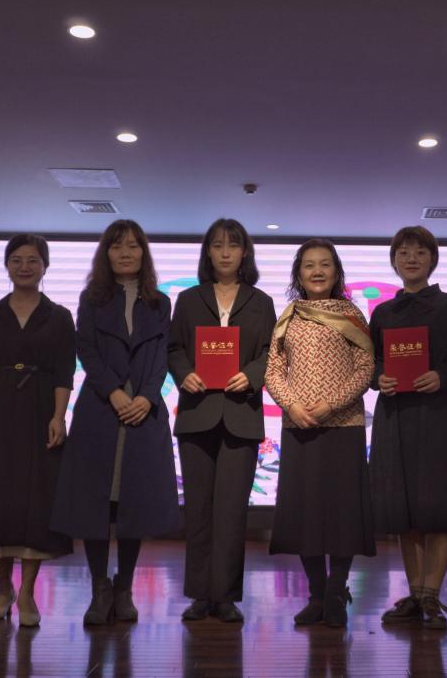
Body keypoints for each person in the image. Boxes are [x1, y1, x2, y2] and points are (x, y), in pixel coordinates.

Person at [51, 219, 179, 625]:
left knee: (133, 503)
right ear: (105, 253)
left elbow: (162, 355)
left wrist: (145, 396)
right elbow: (86, 349)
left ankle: (124, 587)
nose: (126, 253)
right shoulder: (91, 298)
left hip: (144, 411)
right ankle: (99, 588)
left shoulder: (160, 303)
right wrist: (114, 392)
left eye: (133, 246)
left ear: (144, 253)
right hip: (100, 409)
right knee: (95, 503)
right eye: (117, 245)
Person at [0, 234, 76, 627]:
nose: (25, 267)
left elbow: (64, 372)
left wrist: (59, 417)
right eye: (17, 260)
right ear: (6, 266)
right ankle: (4, 589)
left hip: (40, 412)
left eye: (33, 260)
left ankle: (27, 593)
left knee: (36, 500)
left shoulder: (60, 316)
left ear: (45, 266)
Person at [167, 218, 277, 623]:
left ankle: (225, 595)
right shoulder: (188, 299)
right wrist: (184, 374)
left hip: (241, 415)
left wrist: (252, 375)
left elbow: (271, 352)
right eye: (217, 245)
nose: (225, 252)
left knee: (232, 511)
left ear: (245, 252)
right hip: (197, 413)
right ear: (208, 252)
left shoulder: (261, 301)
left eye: (233, 245)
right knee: (198, 508)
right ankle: (200, 594)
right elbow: (174, 348)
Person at [368, 226, 447, 630]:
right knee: (405, 509)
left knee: (438, 507)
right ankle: (415, 595)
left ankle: (432, 594)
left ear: (432, 259)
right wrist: (379, 377)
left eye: (419, 252)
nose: (411, 259)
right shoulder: (383, 313)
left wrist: (442, 376)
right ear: (394, 261)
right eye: (403, 253)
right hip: (395, 417)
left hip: (438, 416)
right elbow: (371, 361)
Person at [264, 239, 376, 628]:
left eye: (325, 264)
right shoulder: (289, 315)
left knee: (343, 514)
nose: (317, 271)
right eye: (309, 265)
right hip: (299, 426)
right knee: (305, 515)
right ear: (298, 274)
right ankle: (316, 594)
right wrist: (292, 405)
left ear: (336, 272)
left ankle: (336, 593)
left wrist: (332, 404)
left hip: (344, 426)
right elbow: (273, 370)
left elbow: (366, 368)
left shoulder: (352, 314)